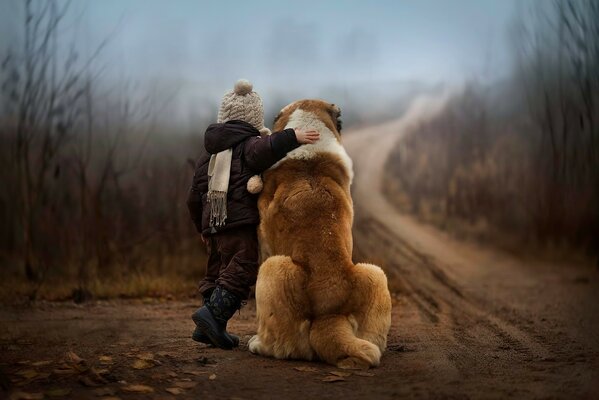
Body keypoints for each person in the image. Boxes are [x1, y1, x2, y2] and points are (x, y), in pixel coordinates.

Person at [187, 79, 319, 349]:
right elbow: (267, 149)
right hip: (237, 223)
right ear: (253, 119)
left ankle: (210, 328)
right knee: (243, 268)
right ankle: (212, 315)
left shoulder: (207, 156)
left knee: (217, 272)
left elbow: (193, 196)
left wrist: (202, 227)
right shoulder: (248, 145)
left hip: (212, 224)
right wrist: (294, 136)